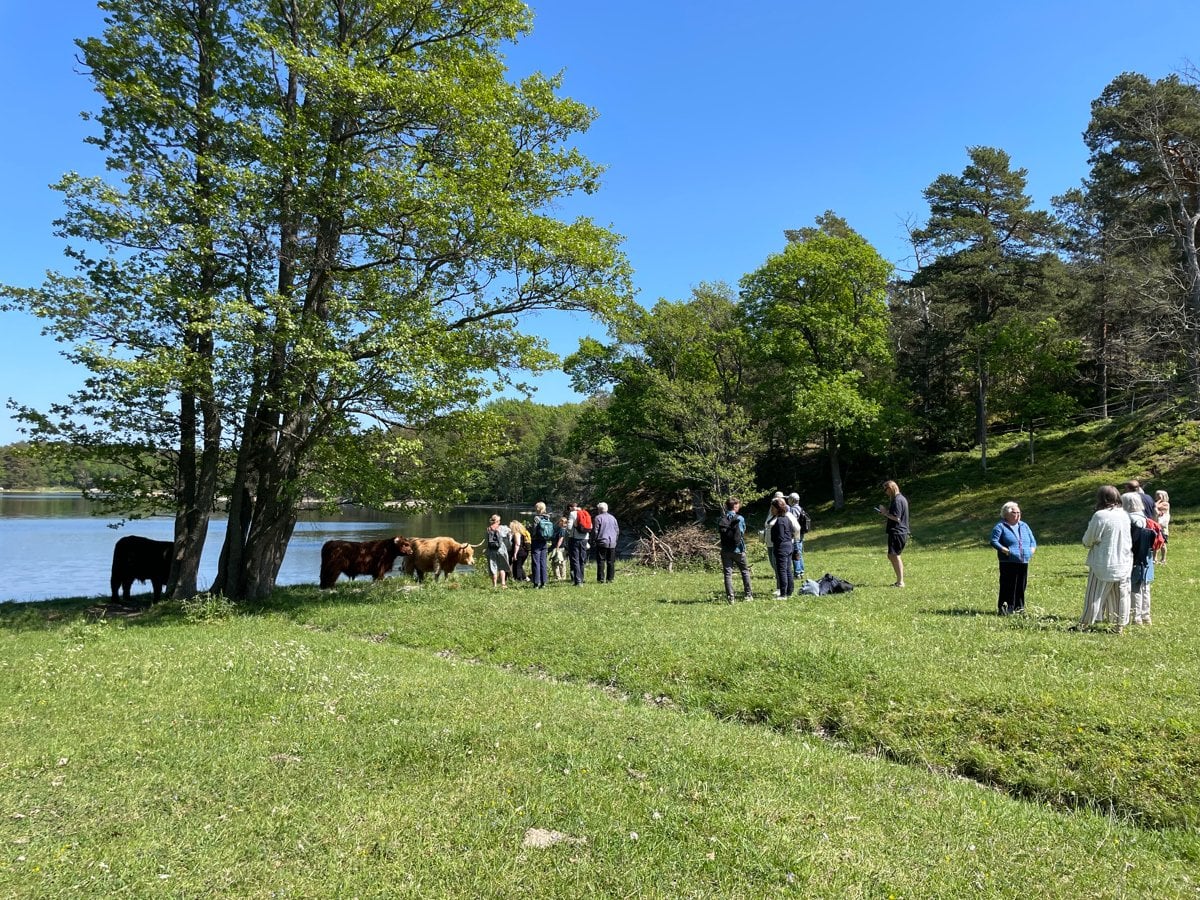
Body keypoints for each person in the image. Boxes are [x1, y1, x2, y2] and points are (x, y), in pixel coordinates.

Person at [1079, 485, 1132, 632]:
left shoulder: (1100, 515)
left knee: (1094, 594)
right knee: (1121, 596)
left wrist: (1091, 541)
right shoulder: (1124, 515)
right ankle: (1119, 626)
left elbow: (1088, 540)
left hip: (1104, 561)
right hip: (1124, 560)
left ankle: (1085, 623)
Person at [990, 501, 1036, 615]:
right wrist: (1005, 551)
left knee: (1021, 585)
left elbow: (1033, 541)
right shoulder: (1000, 526)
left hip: (1023, 560)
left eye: (1019, 512)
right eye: (1015, 512)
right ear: (1007, 514)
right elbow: (994, 541)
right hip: (1008, 561)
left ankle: (1019, 608)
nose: (1018, 515)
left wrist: (1031, 550)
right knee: (1008, 584)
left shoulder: (1024, 525)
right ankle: (1006, 609)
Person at [1123, 493, 1156, 626]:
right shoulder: (1145, 517)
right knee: (1145, 586)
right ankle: (1146, 615)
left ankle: (1136, 617)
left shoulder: (1129, 519)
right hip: (1147, 555)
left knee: (1135, 587)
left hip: (1135, 557)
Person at [718, 497, 753, 603]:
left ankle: (730, 597)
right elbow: (742, 532)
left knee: (728, 573)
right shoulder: (740, 518)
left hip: (725, 550)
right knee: (745, 571)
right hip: (738, 549)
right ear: (735, 506)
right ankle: (748, 595)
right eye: (738, 505)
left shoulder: (722, 519)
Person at [876, 480, 909, 587]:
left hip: (897, 532)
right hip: (898, 532)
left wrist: (884, 512)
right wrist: (885, 513)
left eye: (885, 489)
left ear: (890, 488)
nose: (885, 492)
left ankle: (900, 582)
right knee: (892, 555)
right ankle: (899, 581)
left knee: (894, 556)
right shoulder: (899, 499)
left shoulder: (898, 500)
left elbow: (897, 518)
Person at [767, 496, 800, 598]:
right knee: (788, 569)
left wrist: (774, 540)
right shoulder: (787, 518)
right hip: (789, 545)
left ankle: (783, 594)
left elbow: (779, 536)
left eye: (773, 508)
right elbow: (792, 531)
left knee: (782, 570)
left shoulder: (780, 521)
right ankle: (789, 591)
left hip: (781, 547)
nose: (771, 510)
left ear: (778, 508)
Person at [762, 491, 785, 591]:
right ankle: (780, 585)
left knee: (777, 564)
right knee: (772, 563)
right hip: (769, 541)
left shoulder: (783, 515)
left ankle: (780, 587)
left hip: (777, 543)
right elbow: (767, 523)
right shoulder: (771, 512)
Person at [593, 501, 620, 583]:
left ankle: (601, 579)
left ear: (599, 509)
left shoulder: (598, 518)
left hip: (602, 542)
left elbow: (595, 531)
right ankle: (610, 579)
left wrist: (594, 540)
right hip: (612, 542)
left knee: (601, 561)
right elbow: (617, 530)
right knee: (611, 562)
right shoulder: (613, 518)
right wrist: (615, 539)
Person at [529, 502, 552, 588]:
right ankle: (544, 582)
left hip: (536, 541)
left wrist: (530, 531)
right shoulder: (547, 517)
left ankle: (536, 582)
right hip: (544, 541)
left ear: (537, 509)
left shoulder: (536, 518)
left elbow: (534, 530)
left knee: (536, 562)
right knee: (543, 562)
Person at [787, 491, 809, 580]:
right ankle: (801, 571)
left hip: (796, 534)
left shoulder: (793, 509)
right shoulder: (800, 508)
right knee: (799, 552)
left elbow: (793, 522)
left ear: (792, 500)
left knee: (795, 553)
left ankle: (797, 572)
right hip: (801, 533)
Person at [484, 514, 511, 588]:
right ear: (498, 521)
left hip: (491, 550)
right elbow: (510, 532)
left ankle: (494, 585)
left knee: (493, 567)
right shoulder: (502, 528)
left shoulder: (488, 529)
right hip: (501, 549)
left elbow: (487, 540)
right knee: (502, 567)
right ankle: (503, 584)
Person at [567, 502, 590, 586]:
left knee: (575, 559)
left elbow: (569, 527)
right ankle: (582, 578)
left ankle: (578, 581)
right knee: (582, 559)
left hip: (575, 539)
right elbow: (590, 526)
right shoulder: (586, 513)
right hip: (585, 538)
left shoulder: (572, 514)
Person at [550, 515, 570, 581]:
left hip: (560, 548)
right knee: (560, 562)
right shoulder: (563, 530)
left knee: (557, 563)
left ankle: (559, 577)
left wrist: (557, 547)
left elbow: (560, 539)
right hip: (561, 548)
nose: (561, 523)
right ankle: (560, 577)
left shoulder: (561, 530)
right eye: (560, 521)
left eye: (563, 522)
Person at [1154, 490, 1171, 563]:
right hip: (1156, 525)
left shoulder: (1166, 504)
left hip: (1162, 527)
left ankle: (1163, 559)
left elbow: (1155, 506)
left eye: (1158, 495)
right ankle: (1154, 558)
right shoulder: (1158, 503)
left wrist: (1160, 500)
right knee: (1155, 543)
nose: (1156, 496)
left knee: (1162, 543)